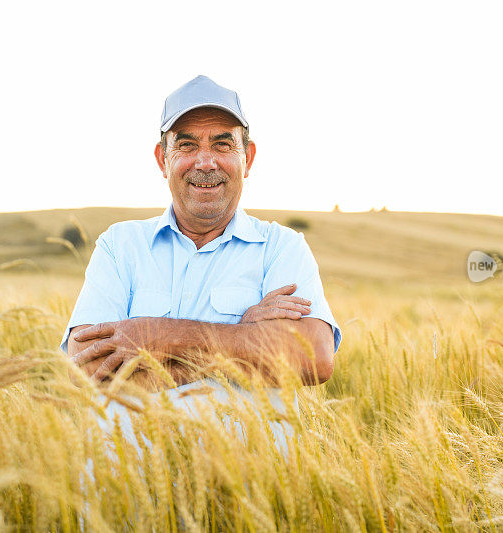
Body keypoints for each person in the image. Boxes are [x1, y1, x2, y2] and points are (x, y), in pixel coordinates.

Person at [59, 75, 342, 458]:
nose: (205, 162)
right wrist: (242, 336)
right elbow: (85, 368)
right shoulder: (120, 246)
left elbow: (314, 358)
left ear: (248, 158)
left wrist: (157, 337)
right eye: (187, 145)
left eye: (222, 144)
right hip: (127, 500)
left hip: (251, 498)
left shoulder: (281, 248)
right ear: (163, 159)